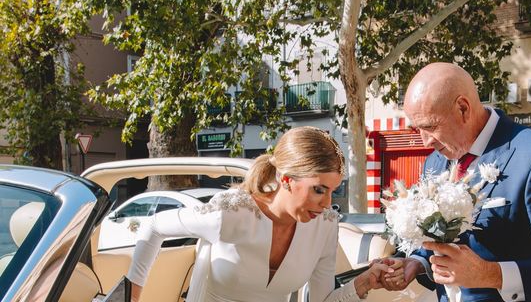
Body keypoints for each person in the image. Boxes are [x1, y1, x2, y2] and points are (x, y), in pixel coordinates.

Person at [378, 62, 531, 302]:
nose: (425, 142)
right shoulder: (435, 162)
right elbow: (443, 240)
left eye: (430, 126)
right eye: (417, 128)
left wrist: (492, 275)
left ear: (463, 108)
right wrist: (416, 262)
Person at [127, 126, 396, 302]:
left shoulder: (325, 226)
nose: (327, 204)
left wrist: (360, 284)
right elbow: (153, 227)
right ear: (287, 179)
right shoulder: (230, 212)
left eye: (332, 192)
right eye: (318, 190)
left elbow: (321, 300)